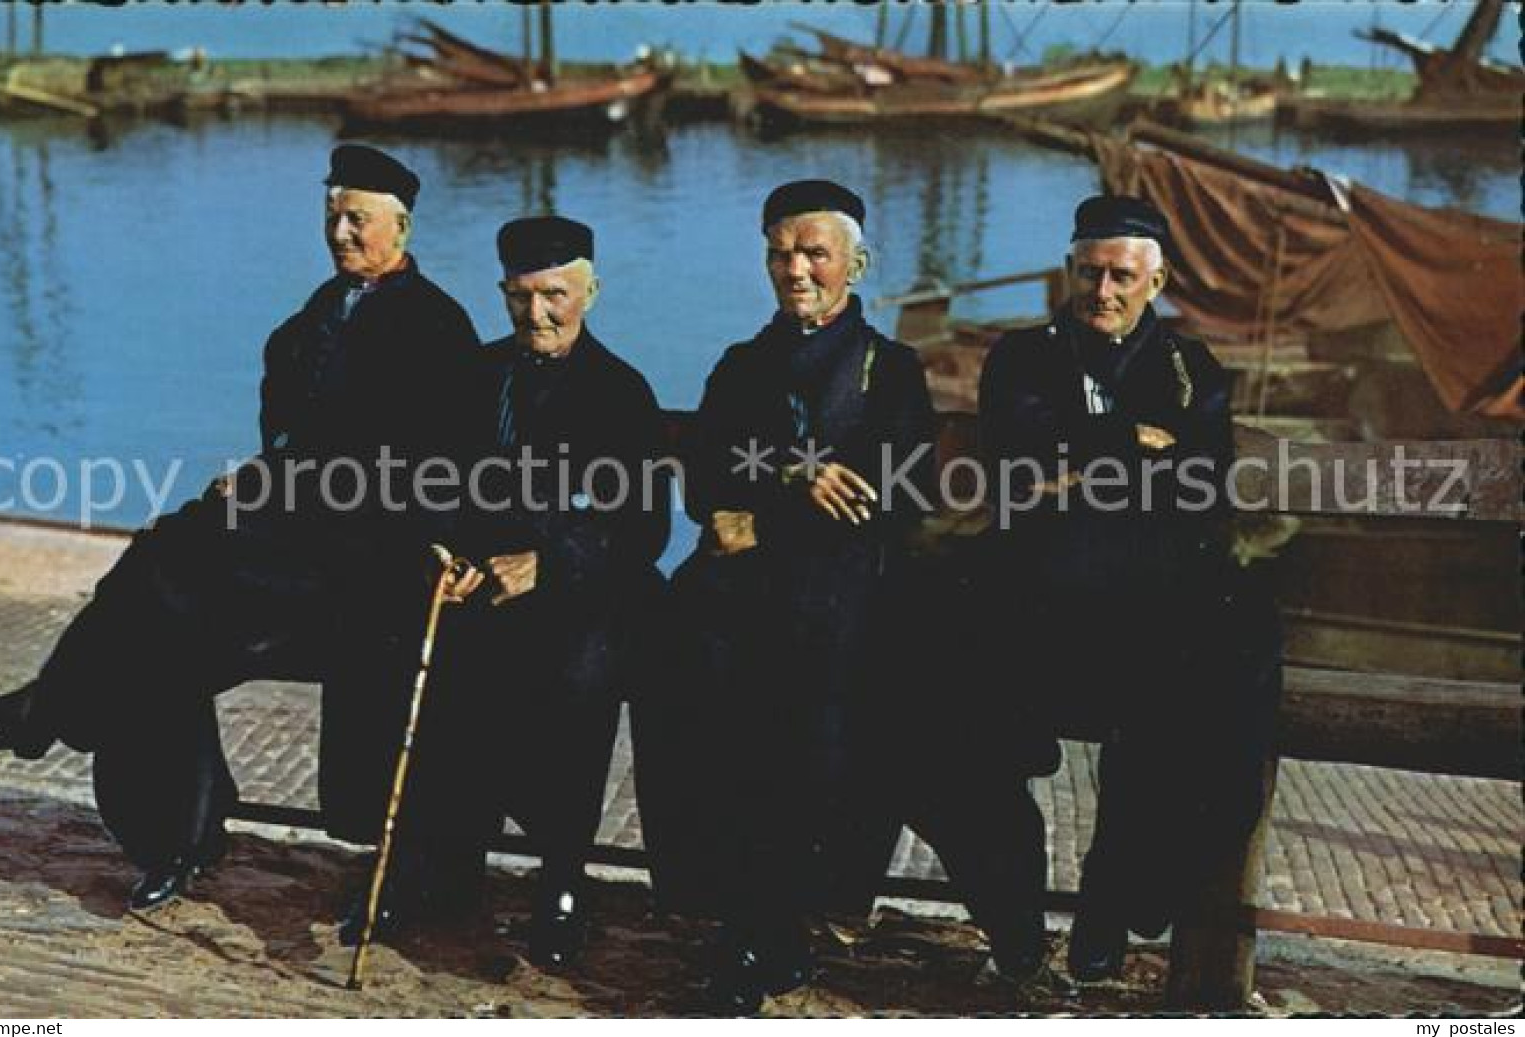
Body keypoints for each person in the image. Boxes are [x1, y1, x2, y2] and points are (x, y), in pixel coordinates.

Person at [0, 145, 483, 913]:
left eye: (359, 219)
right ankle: (176, 839)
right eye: (333, 217)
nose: (342, 233)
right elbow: (291, 438)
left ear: (402, 224)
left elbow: (425, 470)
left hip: (369, 561)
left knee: (160, 573)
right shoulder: (315, 316)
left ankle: (43, 712)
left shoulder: (437, 330)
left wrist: (288, 484)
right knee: (158, 609)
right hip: (297, 540)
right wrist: (267, 478)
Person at [320, 215, 671, 968]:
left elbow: (642, 530)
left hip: (585, 591)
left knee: (578, 672)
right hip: (481, 583)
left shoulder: (622, 394)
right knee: (405, 637)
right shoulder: (473, 378)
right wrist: (442, 553)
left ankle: (563, 878)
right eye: (519, 298)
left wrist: (548, 567)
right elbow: (427, 489)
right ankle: (432, 865)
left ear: (589, 290)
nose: (536, 315)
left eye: (554, 296)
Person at [634, 180, 937, 1014]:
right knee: (682, 665)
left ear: (855, 264)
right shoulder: (742, 365)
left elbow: (894, 493)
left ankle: (769, 923)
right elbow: (702, 483)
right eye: (780, 252)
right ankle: (730, 907)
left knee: (807, 693)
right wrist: (793, 475)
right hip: (740, 590)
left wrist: (762, 515)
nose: (795, 269)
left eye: (814, 253)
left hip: (842, 589)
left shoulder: (889, 371)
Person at [976, 194, 1277, 984]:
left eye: (1119, 276)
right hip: (1042, 602)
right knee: (952, 705)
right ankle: (1026, 920)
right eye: (1086, 273)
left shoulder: (1190, 370)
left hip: (1143, 603)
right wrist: (1129, 442)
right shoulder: (1022, 357)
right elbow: (1013, 456)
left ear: (1157, 279)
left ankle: (1117, 894)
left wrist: (1078, 459)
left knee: (1201, 700)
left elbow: (1195, 483)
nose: (1100, 292)